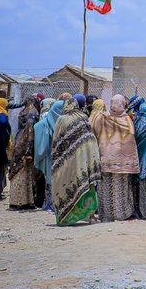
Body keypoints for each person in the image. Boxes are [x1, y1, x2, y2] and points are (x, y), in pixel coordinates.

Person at [50, 96, 102, 226]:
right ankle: (89, 215)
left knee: (66, 184)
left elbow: (57, 142)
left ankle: (66, 217)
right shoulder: (83, 118)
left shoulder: (62, 119)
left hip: (67, 161)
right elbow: (90, 139)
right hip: (83, 161)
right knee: (84, 184)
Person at [91, 95, 139, 222]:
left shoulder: (102, 118)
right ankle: (121, 214)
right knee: (121, 188)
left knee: (106, 188)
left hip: (105, 158)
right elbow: (131, 135)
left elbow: (93, 131)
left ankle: (106, 215)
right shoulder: (127, 120)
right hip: (123, 161)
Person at [8, 98, 41, 209]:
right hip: (26, 145)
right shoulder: (33, 114)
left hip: (18, 143)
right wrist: (29, 150)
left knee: (18, 172)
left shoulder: (23, 112)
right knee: (25, 172)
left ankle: (16, 200)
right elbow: (30, 131)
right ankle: (24, 201)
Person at [34, 97, 66, 212]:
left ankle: (53, 204)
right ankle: (53, 204)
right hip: (54, 158)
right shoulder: (44, 124)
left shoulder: (63, 123)